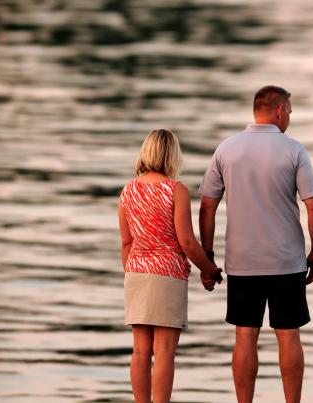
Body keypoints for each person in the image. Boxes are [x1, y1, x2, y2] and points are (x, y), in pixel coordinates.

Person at [198, 85, 313, 403]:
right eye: (290, 113)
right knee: (289, 335)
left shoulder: (226, 149)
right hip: (287, 261)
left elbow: (207, 206)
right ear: (280, 111)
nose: (290, 118)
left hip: (242, 262)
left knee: (244, 335)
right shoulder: (294, 150)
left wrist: (208, 258)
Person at [118, 129, 222, 403]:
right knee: (164, 350)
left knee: (140, 351)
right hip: (167, 273)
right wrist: (208, 270)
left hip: (136, 271)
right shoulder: (176, 190)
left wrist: (133, 272)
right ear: (172, 155)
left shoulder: (128, 190)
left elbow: (126, 242)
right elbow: (187, 242)